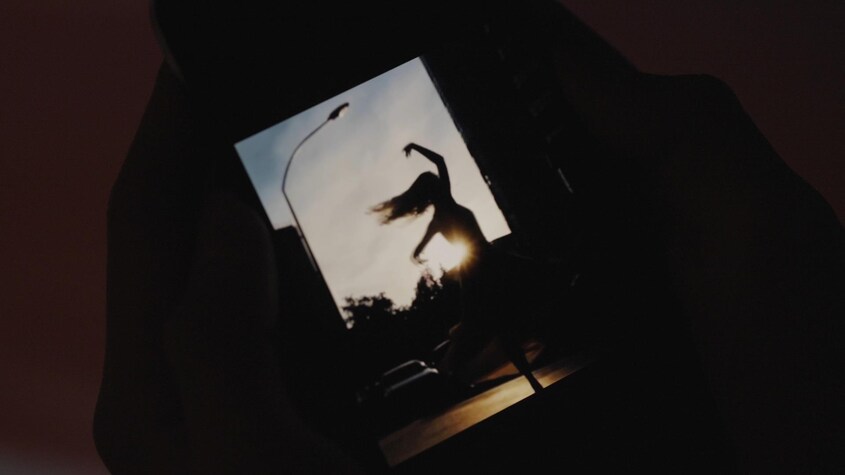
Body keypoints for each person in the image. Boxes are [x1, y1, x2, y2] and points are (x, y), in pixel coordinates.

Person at [93, 1, 844, 473]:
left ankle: (515, 374)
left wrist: (418, 152)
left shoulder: (448, 197)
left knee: (474, 344)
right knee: (470, 345)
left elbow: (442, 180)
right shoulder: (440, 218)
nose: (424, 196)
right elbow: (429, 245)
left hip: (486, 279)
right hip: (480, 282)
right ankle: (514, 376)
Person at [370, 142, 545, 392]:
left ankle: (532, 379)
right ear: (433, 189)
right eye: (434, 182)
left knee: (504, 323)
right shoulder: (447, 205)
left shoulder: (438, 218)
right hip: (484, 265)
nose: (438, 182)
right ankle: (530, 379)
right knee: (505, 321)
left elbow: (417, 250)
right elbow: (440, 160)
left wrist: (417, 255)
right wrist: (415, 147)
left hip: (479, 268)